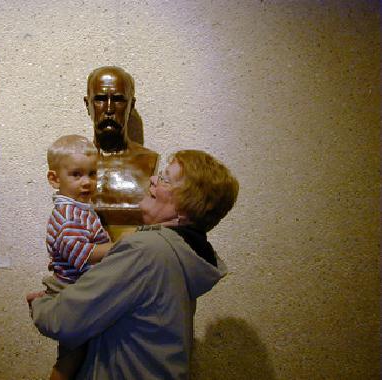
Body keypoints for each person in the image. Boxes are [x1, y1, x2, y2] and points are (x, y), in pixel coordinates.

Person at [28, 149, 239, 379]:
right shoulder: (182, 252)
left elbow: (64, 321)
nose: (153, 179)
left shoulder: (147, 250)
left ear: (185, 205)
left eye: (165, 179)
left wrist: (41, 303)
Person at [26, 134, 114, 380]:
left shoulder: (80, 209)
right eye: (76, 175)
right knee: (71, 357)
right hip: (72, 289)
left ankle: (43, 298)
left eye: (92, 174)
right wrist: (117, 247)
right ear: (55, 179)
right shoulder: (68, 214)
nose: (87, 182)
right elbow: (82, 256)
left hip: (76, 286)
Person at [84, 66, 159, 223]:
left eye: (118, 100)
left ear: (131, 105)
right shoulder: (72, 164)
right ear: (87, 105)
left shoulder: (148, 161)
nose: (109, 109)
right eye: (100, 99)